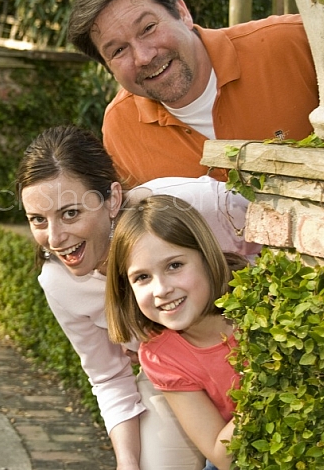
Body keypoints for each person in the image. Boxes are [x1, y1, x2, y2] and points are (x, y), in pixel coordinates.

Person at [16, 125, 259, 470]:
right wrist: (126, 461)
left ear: (112, 199)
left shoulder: (192, 205)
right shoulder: (58, 281)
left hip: (245, 344)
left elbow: (286, 234)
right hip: (173, 373)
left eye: (71, 213)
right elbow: (108, 376)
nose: (55, 238)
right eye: (38, 220)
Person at [67, 0, 320, 187]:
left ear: (182, 13)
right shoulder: (121, 128)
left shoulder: (292, 44)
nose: (144, 57)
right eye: (119, 51)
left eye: (148, 28)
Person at [105, 195, 248, 470]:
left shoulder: (256, 304)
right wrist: (267, 386)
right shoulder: (163, 355)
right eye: (142, 277)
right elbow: (224, 456)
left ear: (207, 258)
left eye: (174, 266)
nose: (161, 290)